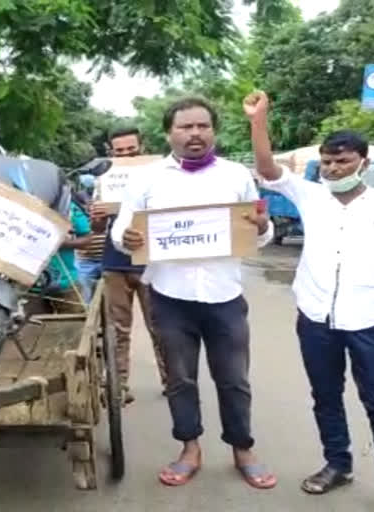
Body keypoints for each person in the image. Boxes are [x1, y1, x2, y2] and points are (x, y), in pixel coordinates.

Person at [245, 91, 374, 512]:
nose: (333, 169)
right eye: (328, 163)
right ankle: (337, 464)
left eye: (343, 161)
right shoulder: (310, 196)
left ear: (363, 163)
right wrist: (259, 121)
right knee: (325, 396)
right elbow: (266, 168)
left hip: (369, 323)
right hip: (315, 318)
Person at [112, 99, 277, 489]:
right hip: (170, 296)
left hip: (225, 295)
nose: (195, 133)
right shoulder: (147, 179)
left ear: (213, 131)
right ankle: (190, 448)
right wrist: (128, 237)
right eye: (186, 127)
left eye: (203, 126)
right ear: (169, 133)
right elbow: (121, 232)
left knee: (234, 379)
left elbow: (258, 234)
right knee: (181, 380)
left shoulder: (237, 176)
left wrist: (264, 226)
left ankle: (242, 449)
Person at [90, 127, 167, 404]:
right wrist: (97, 216)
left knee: (160, 326)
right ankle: (118, 386)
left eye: (130, 149)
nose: (125, 154)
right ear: (111, 152)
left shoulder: (160, 177)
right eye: (119, 151)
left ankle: (173, 382)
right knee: (116, 329)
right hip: (114, 263)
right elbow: (98, 228)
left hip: (151, 262)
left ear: (142, 147)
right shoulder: (104, 180)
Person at [73, 173, 105, 303]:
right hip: (85, 260)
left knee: (108, 297)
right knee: (86, 299)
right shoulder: (76, 206)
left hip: (106, 258)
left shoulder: (107, 201)